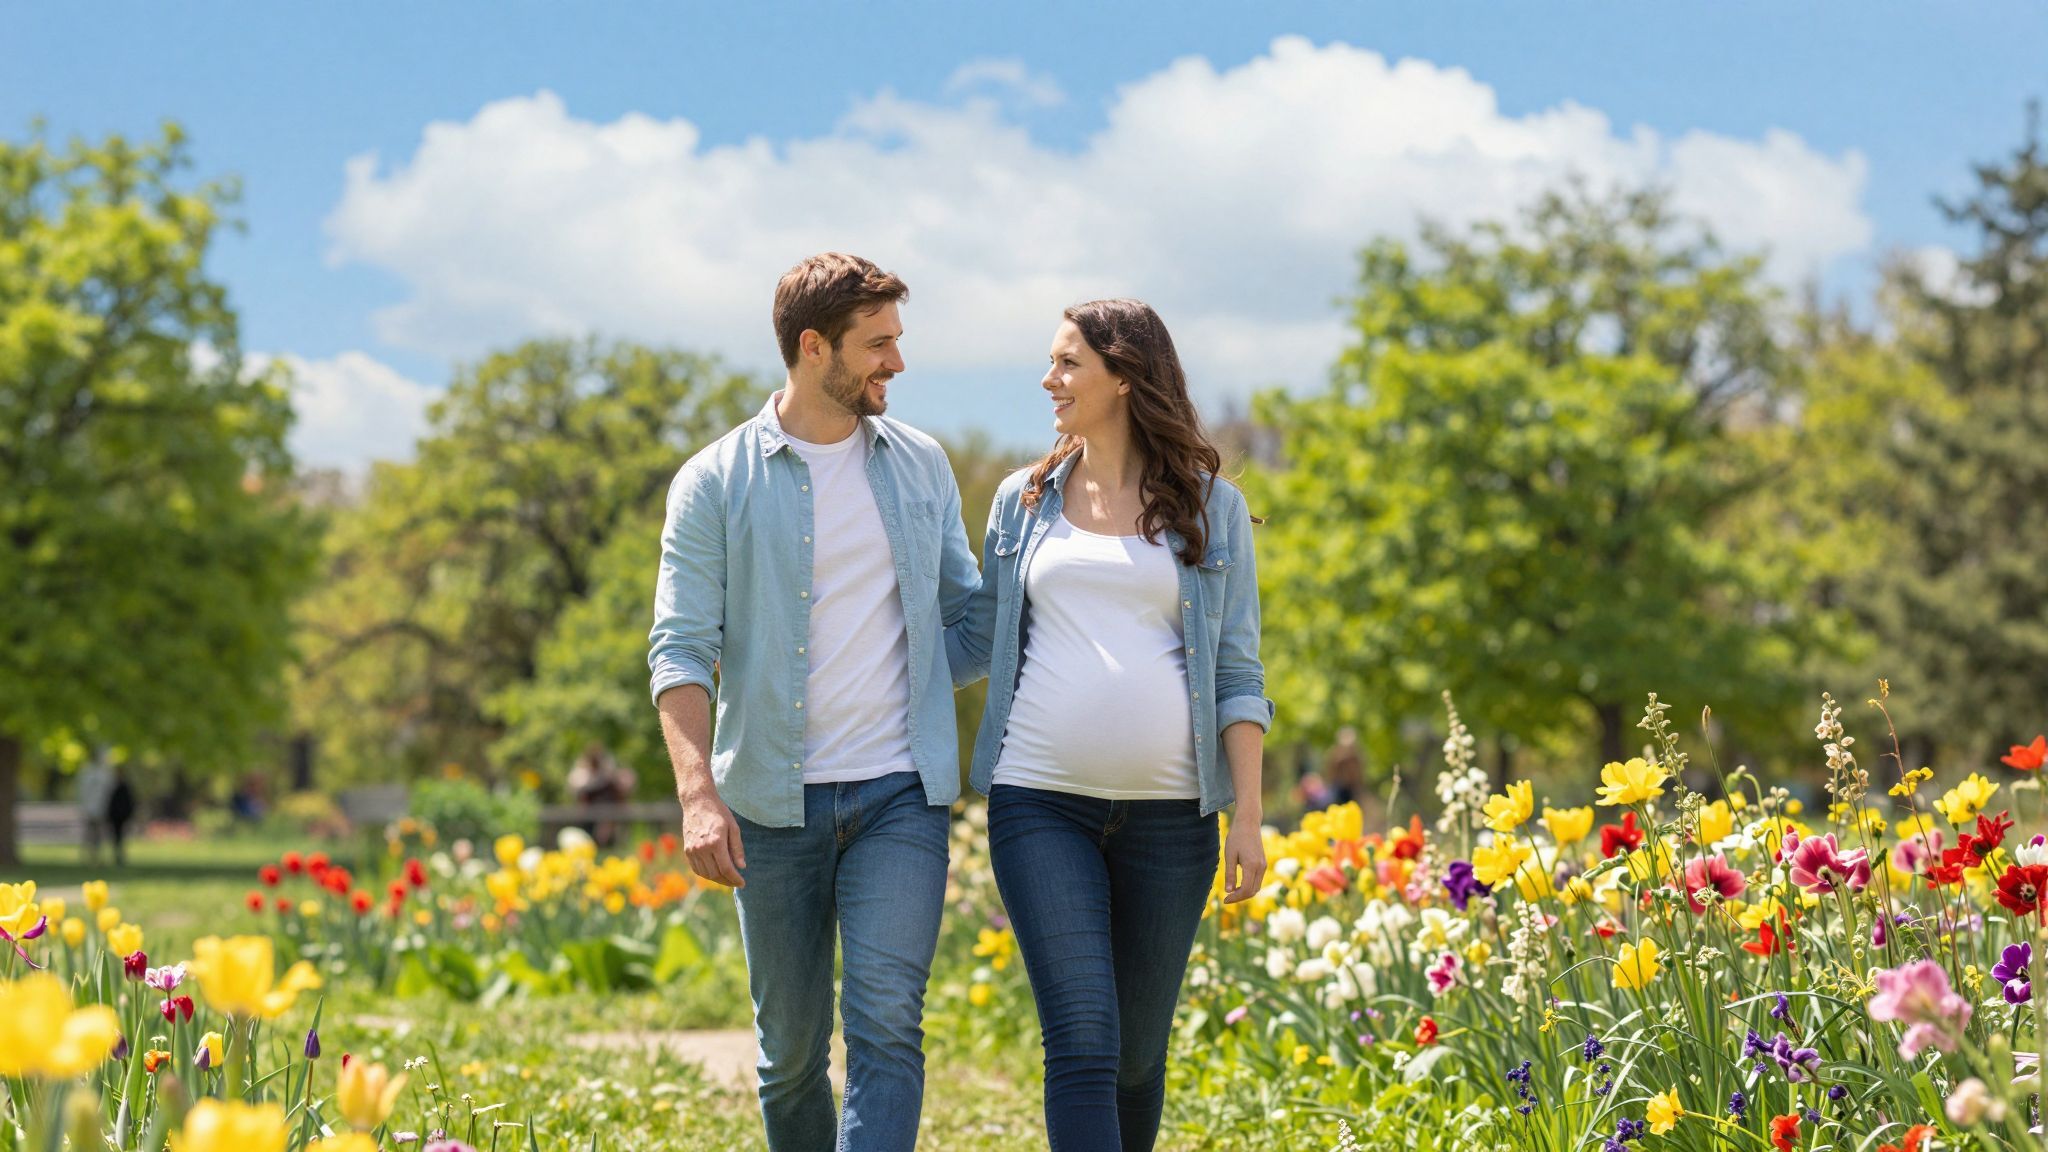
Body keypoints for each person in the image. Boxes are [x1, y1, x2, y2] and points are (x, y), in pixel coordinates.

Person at [648, 253, 979, 1152]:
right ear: (812, 347)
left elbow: (965, 616)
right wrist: (696, 795)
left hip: (898, 797)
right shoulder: (714, 482)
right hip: (769, 806)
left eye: (897, 342)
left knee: (886, 1024)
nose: (896, 365)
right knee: (790, 1057)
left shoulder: (921, 466)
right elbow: (681, 647)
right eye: (877, 346)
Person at [948, 299, 1271, 1152]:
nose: (1048, 380)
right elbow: (979, 637)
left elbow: (1238, 670)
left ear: (1122, 377)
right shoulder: (1024, 504)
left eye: (1067, 364)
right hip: (1039, 802)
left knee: (1135, 1055)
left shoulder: (1211, 507)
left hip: (1173, 818)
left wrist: (1247, 816)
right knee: (1084, 1044)